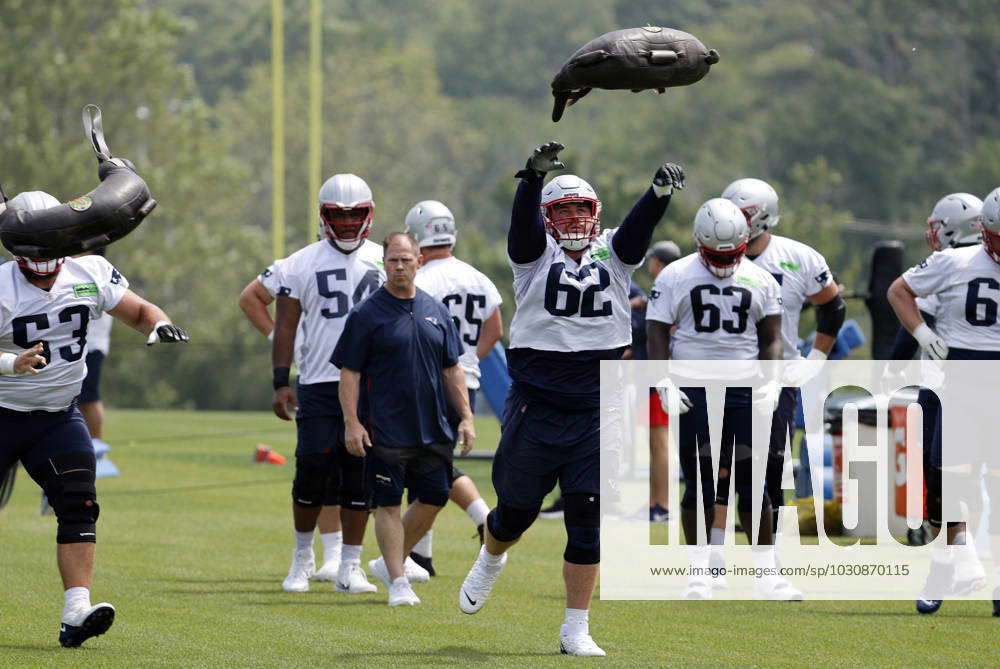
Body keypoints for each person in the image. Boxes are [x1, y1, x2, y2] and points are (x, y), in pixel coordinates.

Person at [458, 141, 684, 656]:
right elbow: (520, 232)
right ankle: (492, 556)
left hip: (597, 408)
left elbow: (636, 231)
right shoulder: (533, 257)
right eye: (564, 209)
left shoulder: (615, 254)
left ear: (596, 212)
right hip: (537, 404)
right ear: (548, 216)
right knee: (515, 513)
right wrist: (530, 181)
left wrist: (658, 194)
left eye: (583, 207)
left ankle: (575, 627)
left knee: (587, 517)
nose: (576, 217)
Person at [0, 190, 188, 647]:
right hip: (2, 412)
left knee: (80, 504)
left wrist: (158, 324)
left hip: (58, 416)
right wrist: (10, 364)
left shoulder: (92, 270)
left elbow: (140, 310)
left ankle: (76, 612)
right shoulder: (1, 284)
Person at [709, 177, 845, 596]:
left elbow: (832, 307)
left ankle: (767, 563)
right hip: (719, 373)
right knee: (715, 465)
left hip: (774, 378)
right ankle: (712, 558)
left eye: (745, 213)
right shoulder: (706, 256)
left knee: (769, 468)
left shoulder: (797, 257)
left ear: (764, 217)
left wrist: (815, 358)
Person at [646, 197, 787, 601]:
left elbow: (772, 337)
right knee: (700, 480)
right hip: (693, 388)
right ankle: (700, 570)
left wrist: (772, 381)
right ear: (697, 242)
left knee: (753, 480)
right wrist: (663, 382)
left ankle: (765, 572)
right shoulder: (675, 276)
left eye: (732, 254)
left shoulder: (761, 280)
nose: (724, 263)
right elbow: (656, 330)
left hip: (743, 388)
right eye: (713, 255)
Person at [332, 232, 475, 607]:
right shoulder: (366, 314)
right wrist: (352, 422)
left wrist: (466, 417)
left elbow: (452, 370)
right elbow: (350, 373)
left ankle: (386, 561)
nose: (399, 266)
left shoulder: (436, 310)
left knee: (433, 498)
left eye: (406, 260)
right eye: (393, 260)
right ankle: (398, 581)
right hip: (385, 428)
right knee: (389, 504)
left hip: (433, 427)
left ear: (419, 262)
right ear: (385, 263)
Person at [268, 174, 384, 595]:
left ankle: (350, 565)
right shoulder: (299, 263)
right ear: (323, 216)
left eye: (355, 215)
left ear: (369, 214)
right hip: (318, 380)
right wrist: (282, 380)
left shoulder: (385, 259)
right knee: (312, 472)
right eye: (339, 216)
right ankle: (302, 557)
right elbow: (285, 326)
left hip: (371, 385)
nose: (349, 223)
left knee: (360, 475)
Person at [887, 187, 1000, 617]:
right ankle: (949, 566)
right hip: (951, 384)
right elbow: (903, 296)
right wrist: (918, 341)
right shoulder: (953, 263)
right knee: (946, 485)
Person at [403, 200, 503, 575]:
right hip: (468, 381)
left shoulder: (423, 279)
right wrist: (467, 359)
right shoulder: (478, 277)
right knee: (425, 466)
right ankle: (420, 557)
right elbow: (495, 329)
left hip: (430, 382)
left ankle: (483, 518)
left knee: (430, 467)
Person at [76, 248, 112, 440]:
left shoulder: (96, 273)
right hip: (79, 346)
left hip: (91, 346)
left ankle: (96, 446)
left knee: (88, 399)